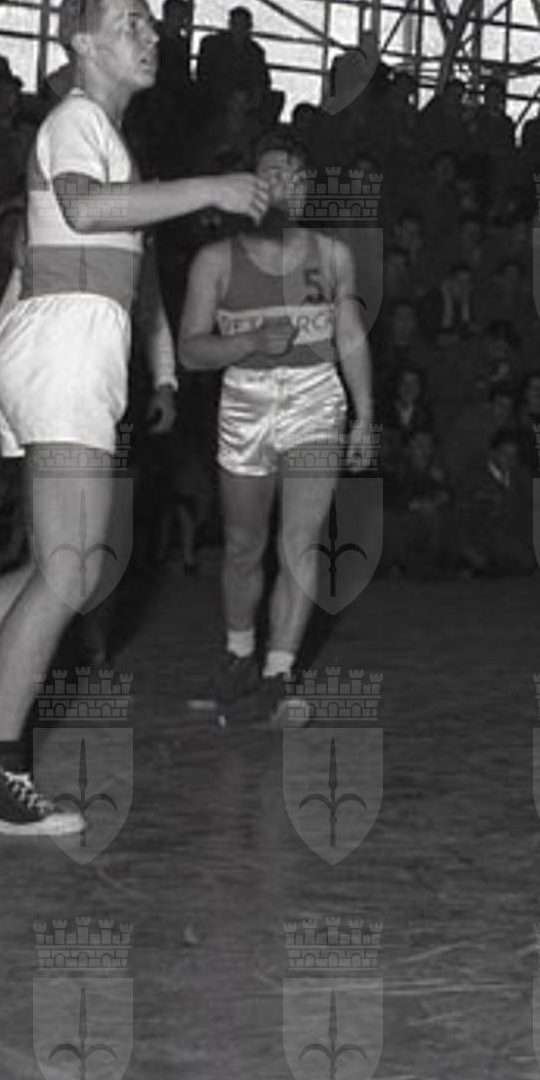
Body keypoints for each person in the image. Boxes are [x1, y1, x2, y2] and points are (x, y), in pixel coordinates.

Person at [0, 0, 268, 836]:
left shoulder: (114, 142)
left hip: (76, 353)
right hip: (59, 353)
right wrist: (209, 188)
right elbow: (85, 210)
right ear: (83, 43)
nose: (149, 35)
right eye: (128, 23)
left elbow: (138, 280)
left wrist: (162, 372)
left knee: (68, 567)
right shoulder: (74, 121)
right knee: (70, 569)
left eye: (147, 24)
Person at [178, 131, 375, 725]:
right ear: (251, 187)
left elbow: (350, 335)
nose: (285, 186)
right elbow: (191, 351)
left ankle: (280, 670)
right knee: (243, 544)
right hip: (245, 401)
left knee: (301, 542)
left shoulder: (333, 255)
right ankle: (240, 655)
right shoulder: (215, 261)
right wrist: (248, 342)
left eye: (296, 176)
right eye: (272, 174)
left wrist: (365, 413)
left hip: (316, 399)